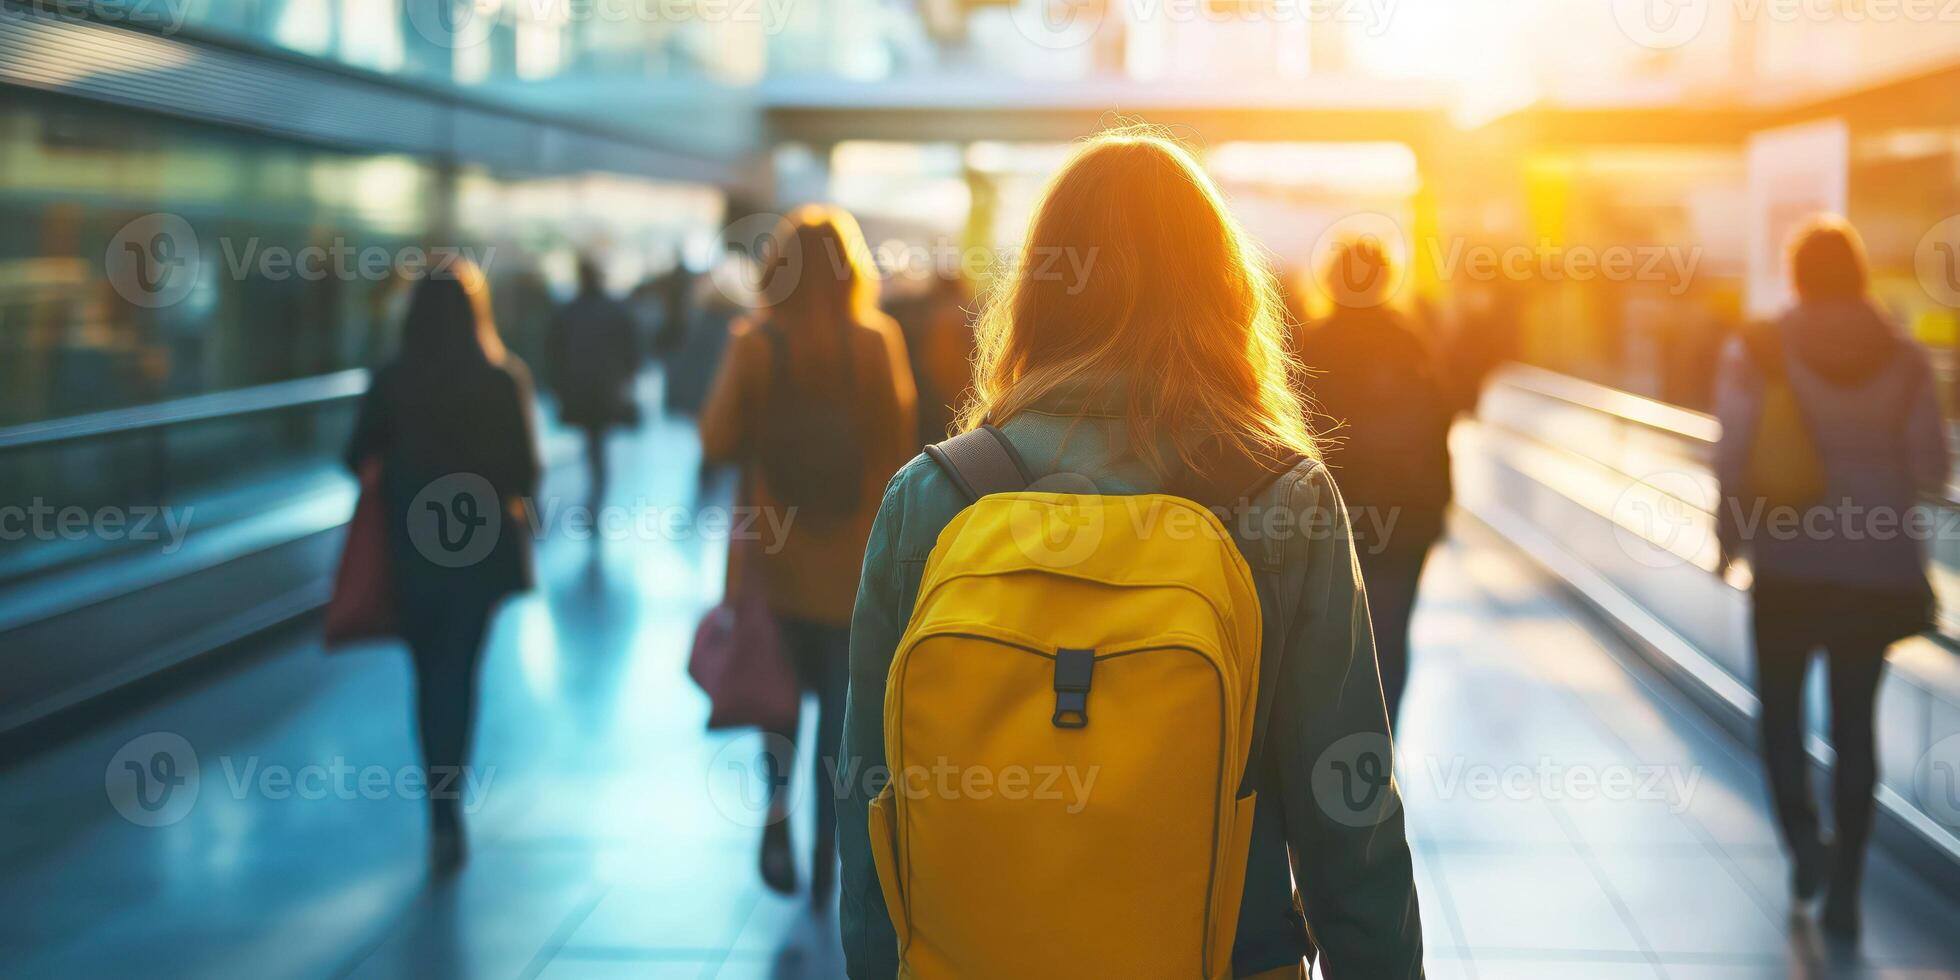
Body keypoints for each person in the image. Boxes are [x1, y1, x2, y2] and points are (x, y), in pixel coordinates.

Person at [837, 128, 1423, 978]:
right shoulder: (1280, 499)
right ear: (1222, 292)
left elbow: (870, 808)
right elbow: (1349, 814)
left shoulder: (932, 500)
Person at [1714, 216, 1948, 940]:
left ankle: (1805, 845)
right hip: (1876, 574)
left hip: (1788, 565)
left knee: (1779, 717)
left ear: (1797, 277)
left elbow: (1732, 453)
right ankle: (1847, 883)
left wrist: (1728, 537)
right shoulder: (1907, 360)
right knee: (1855, 725)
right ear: (1859, 275)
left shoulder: (1758, 349)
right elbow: (1933, 468)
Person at [699, 205, 917, 902]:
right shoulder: (877, 342)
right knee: (840, 711)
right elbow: (898, 449)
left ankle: (774, 817)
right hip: (851, 561)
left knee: (777, 697)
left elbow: (713, 438)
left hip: (773, 555)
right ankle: (829, 849)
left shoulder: (756, 342)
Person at [344, 261, 541, 871]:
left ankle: (437, 806)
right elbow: (525, 473)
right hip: (478, 553)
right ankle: (450, 807)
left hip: (410, 549)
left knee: (427, 673)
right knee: (460, 670)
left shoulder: (393, 380)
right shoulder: (501, 379)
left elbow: (355, 454)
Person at [1295, 238, 1453, 725]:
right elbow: (1436, 427)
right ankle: (1381, 748)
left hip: (1328, 519)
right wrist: (1436, 509)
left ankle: (1328, 745)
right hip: (1403, 523)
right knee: (1389, 635)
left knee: (1323, 638)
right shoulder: (1409, 343)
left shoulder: (1309, 346)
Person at [547, 257, 640, 506]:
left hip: (579, 389)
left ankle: (596, 494)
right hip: (606, 390)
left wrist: (557, 386)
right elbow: (632, 352)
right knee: (597, 443)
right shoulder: (615, 310)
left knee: (593, 443)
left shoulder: (568, 312)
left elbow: (553, 355)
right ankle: (597, 494)